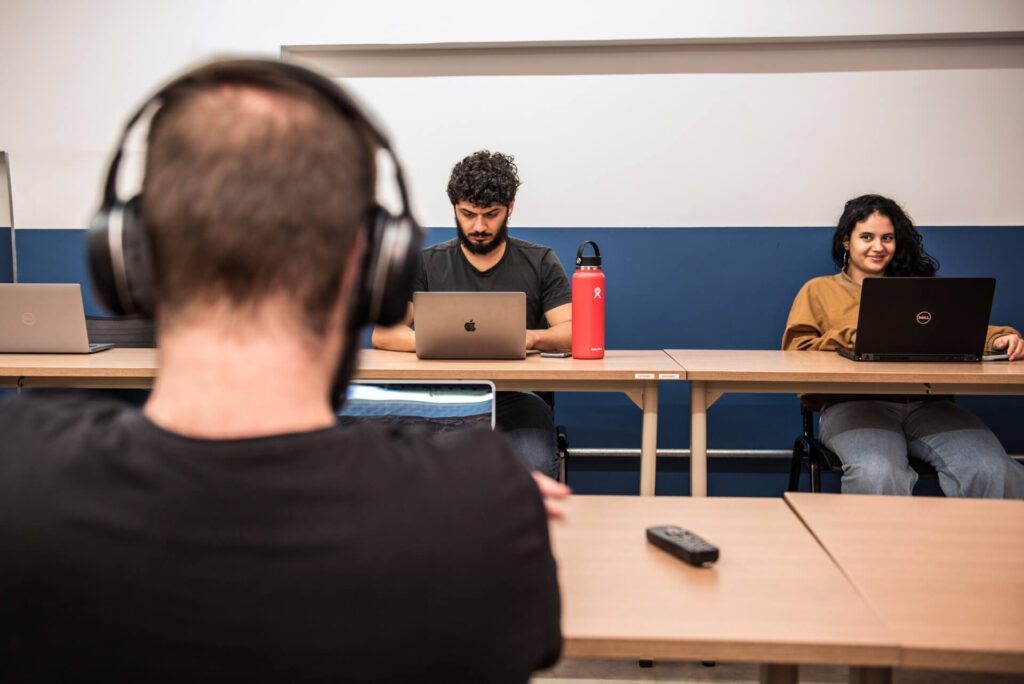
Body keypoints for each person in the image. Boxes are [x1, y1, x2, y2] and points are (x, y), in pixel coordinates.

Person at [0, 59, 565, 682]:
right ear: (373, 270)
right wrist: (485, 496)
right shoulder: (485, 500)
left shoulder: (14, 467)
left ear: (129, 258)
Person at [783, 193, 1024, 498]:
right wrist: (855, 335)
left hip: (929, 403)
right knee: (877, 472)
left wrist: (1000, 339)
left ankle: (988, 546)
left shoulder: (918, 291)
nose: (878, 246)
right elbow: (795, 352)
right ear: (846, 241)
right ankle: (874, 548)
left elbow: (965, 328)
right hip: (853, 406)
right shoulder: (818, 290)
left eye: (888, 238)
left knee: (991, 467)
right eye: (867, 237)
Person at [372, 151, 572, 479]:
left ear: (510, 207)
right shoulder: (426, 263)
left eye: (491, 214)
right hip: (441, 395)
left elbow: (576, 331)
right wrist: (441, 343)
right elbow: (384, 333)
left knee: (533, 468)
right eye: (468, 214)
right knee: (411, 475)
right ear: (454, 208)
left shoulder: (540, 261)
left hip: (519, 396)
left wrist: (531, 337)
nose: (479, 226)